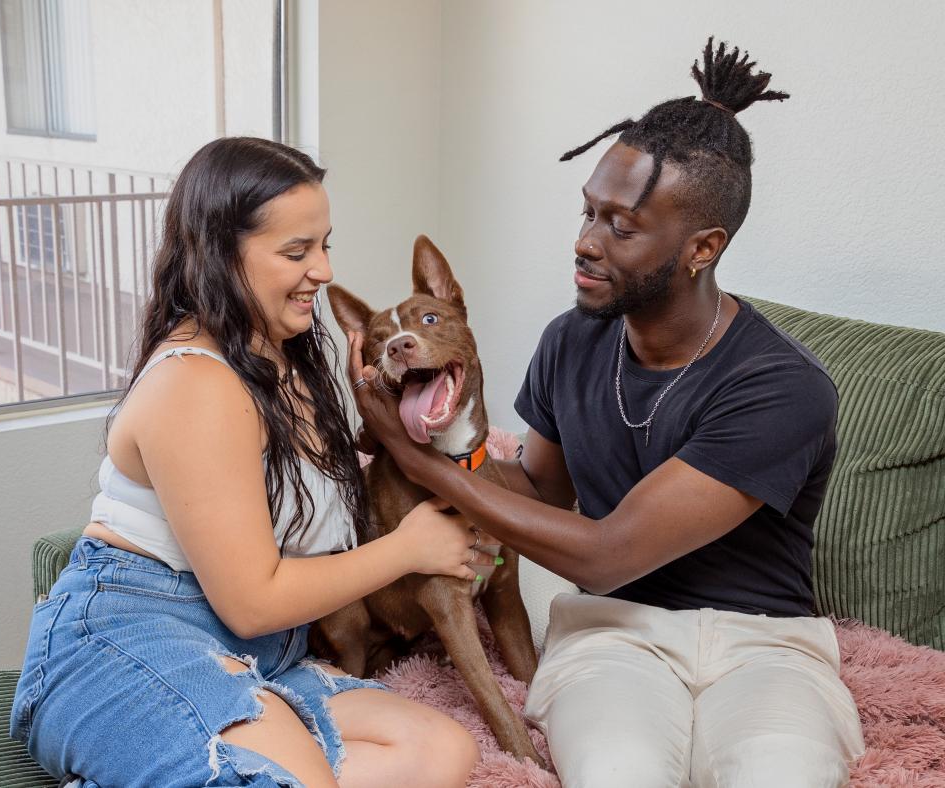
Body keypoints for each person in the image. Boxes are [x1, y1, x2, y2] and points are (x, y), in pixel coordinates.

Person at [349, 39, 866, 787]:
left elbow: (607, 551)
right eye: (589, 210)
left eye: (620, 227)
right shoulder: (572, 339)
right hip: (613, 637)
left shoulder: (783, 384)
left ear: (702, 248)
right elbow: (540, 492)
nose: (585, 243)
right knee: (617, 773)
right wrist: (446, 436)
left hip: (768, 647)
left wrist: (415, 457)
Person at [10, 137, 488, 788]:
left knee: (443, 751)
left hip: (253, 654)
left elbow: (308, 504)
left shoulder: (283, 354)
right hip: (132, 640)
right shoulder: (196, 386)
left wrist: (378, 411)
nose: (321, 270)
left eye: (325, 244)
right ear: (220, 256)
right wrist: (410, 549)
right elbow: (254, 603)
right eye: (297, 251)